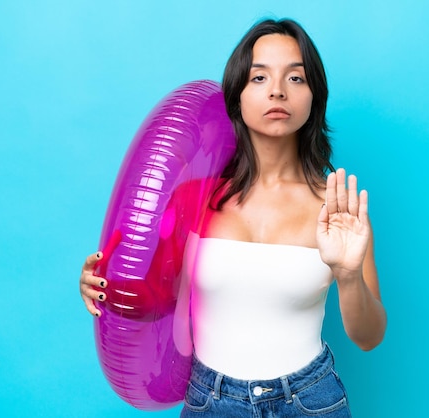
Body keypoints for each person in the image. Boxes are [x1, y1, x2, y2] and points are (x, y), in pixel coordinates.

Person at [80, 18, 386, 417]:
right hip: (210, 401)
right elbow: (154, 302)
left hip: (310, 401)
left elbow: (369, 336)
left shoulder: (337, 210)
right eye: (259, 77)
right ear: (237, 95)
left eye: (295, 78)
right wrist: (104, 288)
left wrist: (347, 277)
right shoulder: (194, 199)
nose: (277, 89)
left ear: (314, 97)